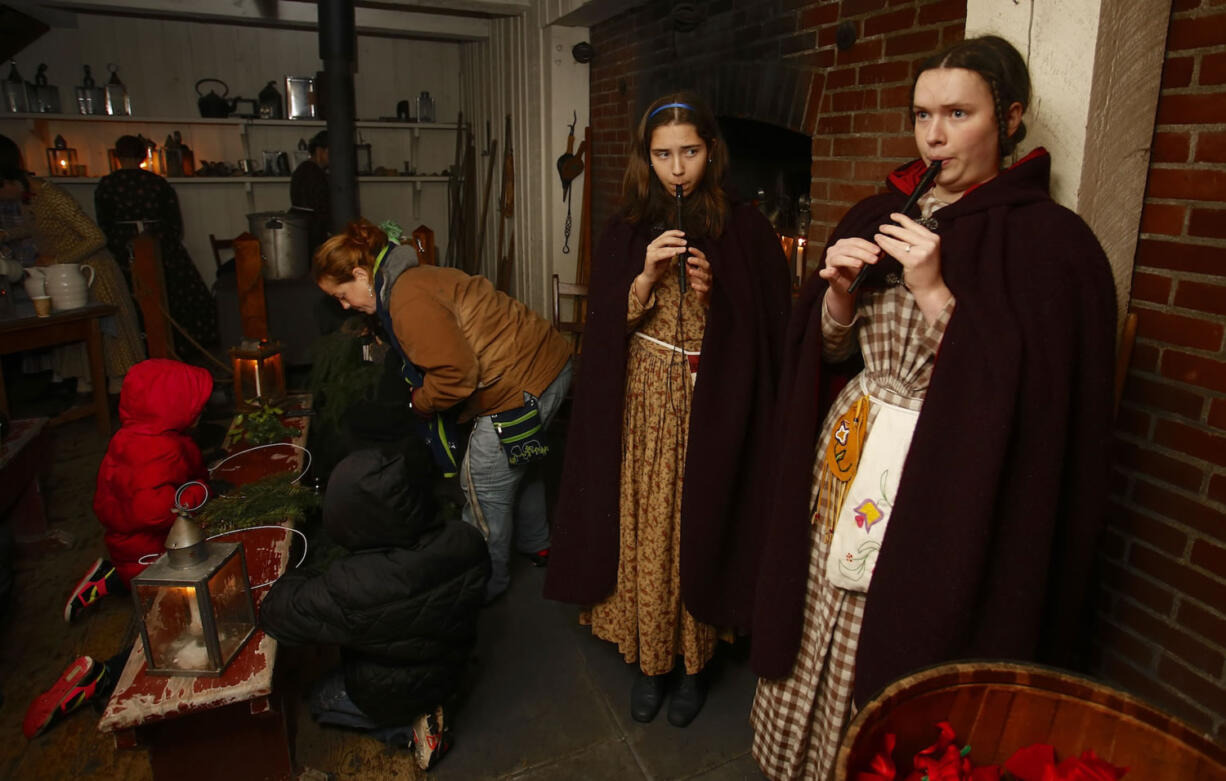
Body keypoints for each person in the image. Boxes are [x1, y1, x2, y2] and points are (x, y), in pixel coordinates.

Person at [749, 36, 1117, 780]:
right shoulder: (879, 211)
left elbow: (1034, 405)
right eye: (923, 114)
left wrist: (934, 290)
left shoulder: (1052, 243)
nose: (934, 135)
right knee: (820, 601)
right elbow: (826, 359)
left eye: (958, 112)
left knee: (890, 634)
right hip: (846, 463)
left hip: (940, 490)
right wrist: (838, 300)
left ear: (1011, 119)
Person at [543, 92, 792, 728]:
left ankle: (693, 666)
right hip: (643, 401)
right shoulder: (626, 227)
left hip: (709, 402)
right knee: (647, 525)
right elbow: (604, 330)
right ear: (644, 158)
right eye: (662, 155)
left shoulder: (747, 228)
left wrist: (717, 300)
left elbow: (768, 331)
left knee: (697, 524)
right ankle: (653, 662)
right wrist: (644, 281)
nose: (676, 168)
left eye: (689, 151)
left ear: (711, 152)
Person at [312, 219, 572, 602]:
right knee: (521, 462)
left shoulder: (405, 300)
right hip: (547, 364)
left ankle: (482, 586)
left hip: (518, 383)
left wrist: (420, 401)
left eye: (342, 295)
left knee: (481, 483)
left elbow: (456, 376)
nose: (345, 305)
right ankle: (537, 543)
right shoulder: (407, 279)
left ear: (360, 273)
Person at [260, 447, 490, 771]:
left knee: (319, 700)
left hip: (393, 692)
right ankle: (438, 703)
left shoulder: (353, 585)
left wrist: (310, 573)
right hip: (452, 666)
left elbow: (276, 614)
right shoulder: (466, 539)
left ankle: (409, 731)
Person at [25, 358, 213, 738]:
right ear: (173, 409)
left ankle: (110, 577)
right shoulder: (159, 450)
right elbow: (154, 508)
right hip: (152, 555)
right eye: (195, 405)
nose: (200, 411)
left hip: (129, 550)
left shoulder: (130, 437)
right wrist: (196, 494)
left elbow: (106, 500)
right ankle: (101, 676)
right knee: (176, 634)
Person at [0, 134, 144, 393]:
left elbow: (96, 237)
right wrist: (6, 235)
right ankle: (93, 400)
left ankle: (123, 403)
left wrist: (57, 260)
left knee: (113, 345)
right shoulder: (27, 199)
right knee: (81, 351)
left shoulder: (51, 195)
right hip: (62, 275)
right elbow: (38, 228)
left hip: (94, 273)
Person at [94, 134, 218, 358]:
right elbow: (173, 221)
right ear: (142, 156)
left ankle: (141, 349)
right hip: (157, 243)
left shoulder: (108, 184)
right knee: (168, 292)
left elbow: (104, 222)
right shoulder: (156, 183)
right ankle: (177, 345)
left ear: (119, 155)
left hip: (126, 244)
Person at [291, 130, 331, 252]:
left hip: (302, 229)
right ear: (320, 151)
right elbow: (320, 205)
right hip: (312, 230)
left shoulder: (303, 169)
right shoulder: (313, 172)